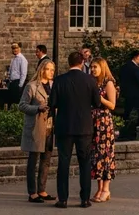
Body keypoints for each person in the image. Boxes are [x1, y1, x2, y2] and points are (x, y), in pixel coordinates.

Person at [48, 50, 102, 208]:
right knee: (84, 163)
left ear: (69, 63)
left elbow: (53, 103)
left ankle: (63, 199)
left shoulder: (59, 80)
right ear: (81, 62)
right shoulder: (90, 80)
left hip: (64, 126)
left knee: (63, 162)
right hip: (84, 126)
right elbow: (97, 103)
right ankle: (84, 199)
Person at [19, 59, 56, 203]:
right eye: (48, 69)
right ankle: (32, 192)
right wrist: (37, 108)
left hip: (50, 127)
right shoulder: (32, 86)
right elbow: (22, 106)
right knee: (33, 160)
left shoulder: (54, 86)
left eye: (53, 69)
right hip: (36, 127)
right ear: (42, 70)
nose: (51, 72)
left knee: (46, 160)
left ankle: (42, 189)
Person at [89, 58, 116, 203]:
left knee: (105, 155)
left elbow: (112, 105)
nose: (92, 69)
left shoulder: (108, 83)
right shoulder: (93, 83)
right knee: (96, 155)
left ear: (102, 67)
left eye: (95, 67)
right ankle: (99, 188)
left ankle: (106, 188)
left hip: (104, 122)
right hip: (93, 121)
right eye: (91, 67)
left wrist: (100, 98)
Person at [119, 49, 139, 125]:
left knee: (127, 110)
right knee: (136, 110)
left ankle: (125, 124)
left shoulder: (125, 66)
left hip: (126, 91)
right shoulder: (134, 68)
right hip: (135, 93)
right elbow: (138, 81)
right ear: (136, 57)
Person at [8, 43, 29, 107]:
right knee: (11, 101)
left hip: (17, 82)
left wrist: (20, 86)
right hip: (12, 82)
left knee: (16, 102)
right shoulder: (13, 59)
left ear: (19, 48)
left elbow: (23, 73)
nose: (14, 50)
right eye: (13, 48)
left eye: (16, 48)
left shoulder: (22, 59)